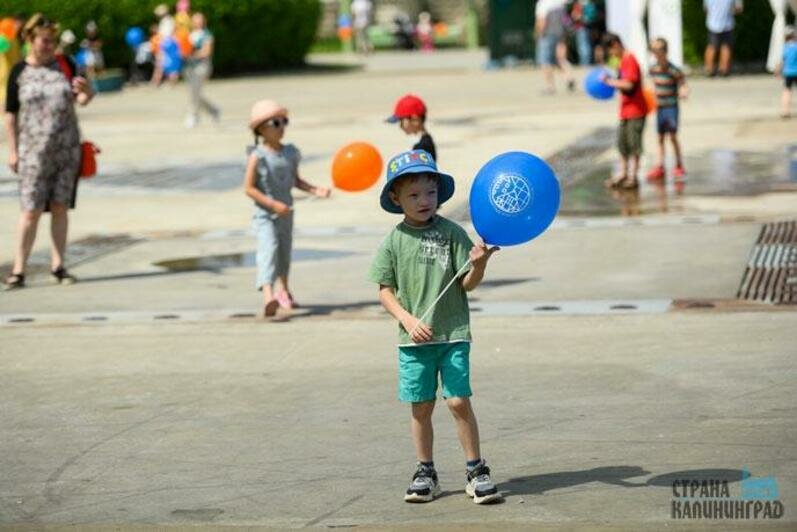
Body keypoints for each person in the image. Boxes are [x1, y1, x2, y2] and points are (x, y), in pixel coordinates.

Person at [367, 149, 501, 504]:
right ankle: (425, 471)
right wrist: (408, 320)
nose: (424, 200)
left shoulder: (452, 233)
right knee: (421, 406)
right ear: (396, 199)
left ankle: (476, 470)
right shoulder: (394, 241)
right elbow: (385, 291)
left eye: (430, 192)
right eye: (413, 195)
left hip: (453, 334)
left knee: (458, 402)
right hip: (414, 343)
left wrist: (480, 264)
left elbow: (467, 284)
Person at [3, 13, 93, 290]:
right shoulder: (18, 72)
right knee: (29, 211)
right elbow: (10, 115)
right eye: (44, 40)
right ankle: (19, 270)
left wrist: (86, 92)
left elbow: (82, 99)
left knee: (59, 208)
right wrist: (13, 151)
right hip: (32, 152)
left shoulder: (66, 65)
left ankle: (58, 265)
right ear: (30, 39)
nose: (49, 46)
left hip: (65, 150)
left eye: (52, 41)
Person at [243, 100, 330, 317]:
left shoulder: (290, 153)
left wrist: (315, 190)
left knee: (284, 252)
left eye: (284, 121)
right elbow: (249, 188)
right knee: (268, 249)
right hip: (266, 215)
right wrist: (272, 204)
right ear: (261, 129)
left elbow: (296, 181)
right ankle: (268, 295)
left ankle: (284, 290)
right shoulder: (257, 156)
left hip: (286, 213)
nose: (282, 126)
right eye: (276, 122)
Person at [601, 32, 647, 190]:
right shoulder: (621, 61)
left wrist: (610, 82)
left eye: (611, 51)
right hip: (626, 110)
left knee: (634, 145)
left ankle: (633, 176)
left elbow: (629, 85)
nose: (611, 55)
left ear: (615, 44)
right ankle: (623, 173)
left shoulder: (629, 59)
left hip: (636, 110)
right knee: (622, 144)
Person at [647, 38, 689, 192]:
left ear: (665, 52)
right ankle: (660, 165)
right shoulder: (653, 69)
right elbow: (651, 84)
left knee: (672, 136)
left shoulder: (673, 70)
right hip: (659, 107)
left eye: (657, 51)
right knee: (659, 137)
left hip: (671, 106)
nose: (655, 54)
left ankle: (679, 165)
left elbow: (683, 83)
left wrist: (684, 91)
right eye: (653, 51)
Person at [183, 12, 220, 128]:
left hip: (202, 67)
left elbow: (207, 52)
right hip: (189, 67)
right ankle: (213, 109)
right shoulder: (189, 34)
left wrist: (191, 54)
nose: (197, 22)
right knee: (194, 93)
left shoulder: (206, 35)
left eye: (199, 20)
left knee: (194, 91)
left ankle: (193, 116)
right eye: (195, 20)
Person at [535, 0, 575, 94]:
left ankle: (550, 87)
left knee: (546, 62)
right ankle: (569, 78)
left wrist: (539, 35)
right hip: (561, 34)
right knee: (560, 59)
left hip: (547, 35)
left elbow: (541, 21)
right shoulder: (559, 2)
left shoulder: (543, 4)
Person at [386, 94, 437, 161]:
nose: (400, 127)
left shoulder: (421, 148)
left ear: (415, 120)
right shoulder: (427, 141)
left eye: (401, 121)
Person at [703, 0, 743, 77]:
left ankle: (709, 70)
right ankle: (724, 70)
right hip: (727, 24)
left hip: (712, 23)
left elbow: (706, 9)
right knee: (726, 46)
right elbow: (739, 8)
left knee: (711, 46)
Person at [776, 26, 797, 119]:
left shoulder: (785, 48)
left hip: (788, 73)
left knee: (787, 91)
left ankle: (785, 111)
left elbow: (782, 61)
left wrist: (777, 70)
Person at [569, 0, 595, 66]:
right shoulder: (585, 4)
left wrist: (579, 17)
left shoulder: (585, 4)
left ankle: (585, 63)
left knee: (584, 47)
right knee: (584, 46)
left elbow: (588, 18)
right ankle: (585, 62)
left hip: (583, 28)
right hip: (581, 28)